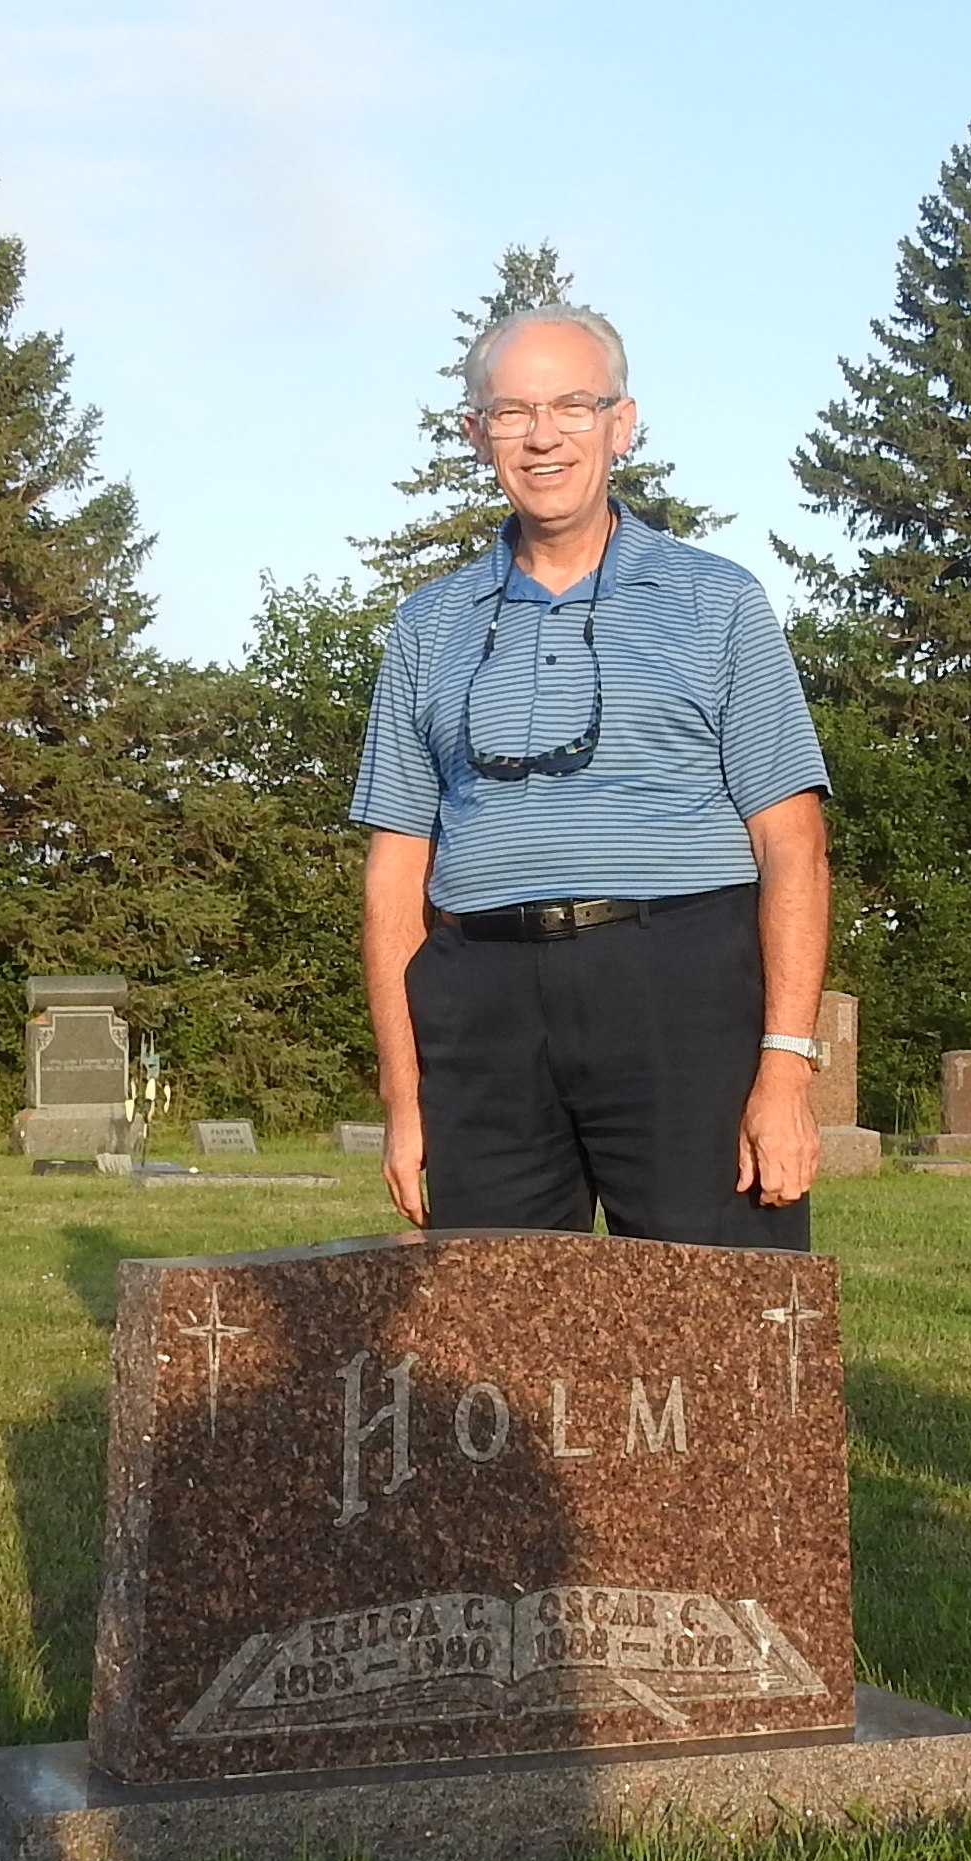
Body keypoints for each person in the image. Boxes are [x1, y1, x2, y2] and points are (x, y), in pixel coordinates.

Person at [350, 303, 832, 1249]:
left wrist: (783, 1070)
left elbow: (793, 844)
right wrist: (404, 1098)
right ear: (475, 432)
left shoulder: (717, 601)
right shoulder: (427, 626)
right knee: (490, 1330)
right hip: (481, 1001)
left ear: (623, 421)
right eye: (511, 411)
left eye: (573, 405)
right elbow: (394, 873)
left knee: (717, 1312)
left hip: (678, 989)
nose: (541, 437)